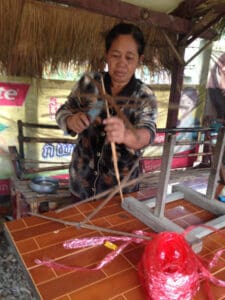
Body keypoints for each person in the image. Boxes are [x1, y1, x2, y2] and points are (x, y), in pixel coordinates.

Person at [56, 22, 157, 200]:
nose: (121, 64)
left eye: (129, 58)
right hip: (81, 186)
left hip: (120, 192)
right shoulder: (89, 83)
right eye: (116, 56)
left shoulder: (144, 96)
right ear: (107, 56)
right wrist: (71, 120)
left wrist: (126, 135)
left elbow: (147, 134)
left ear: (139, 60)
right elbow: (63, 112)